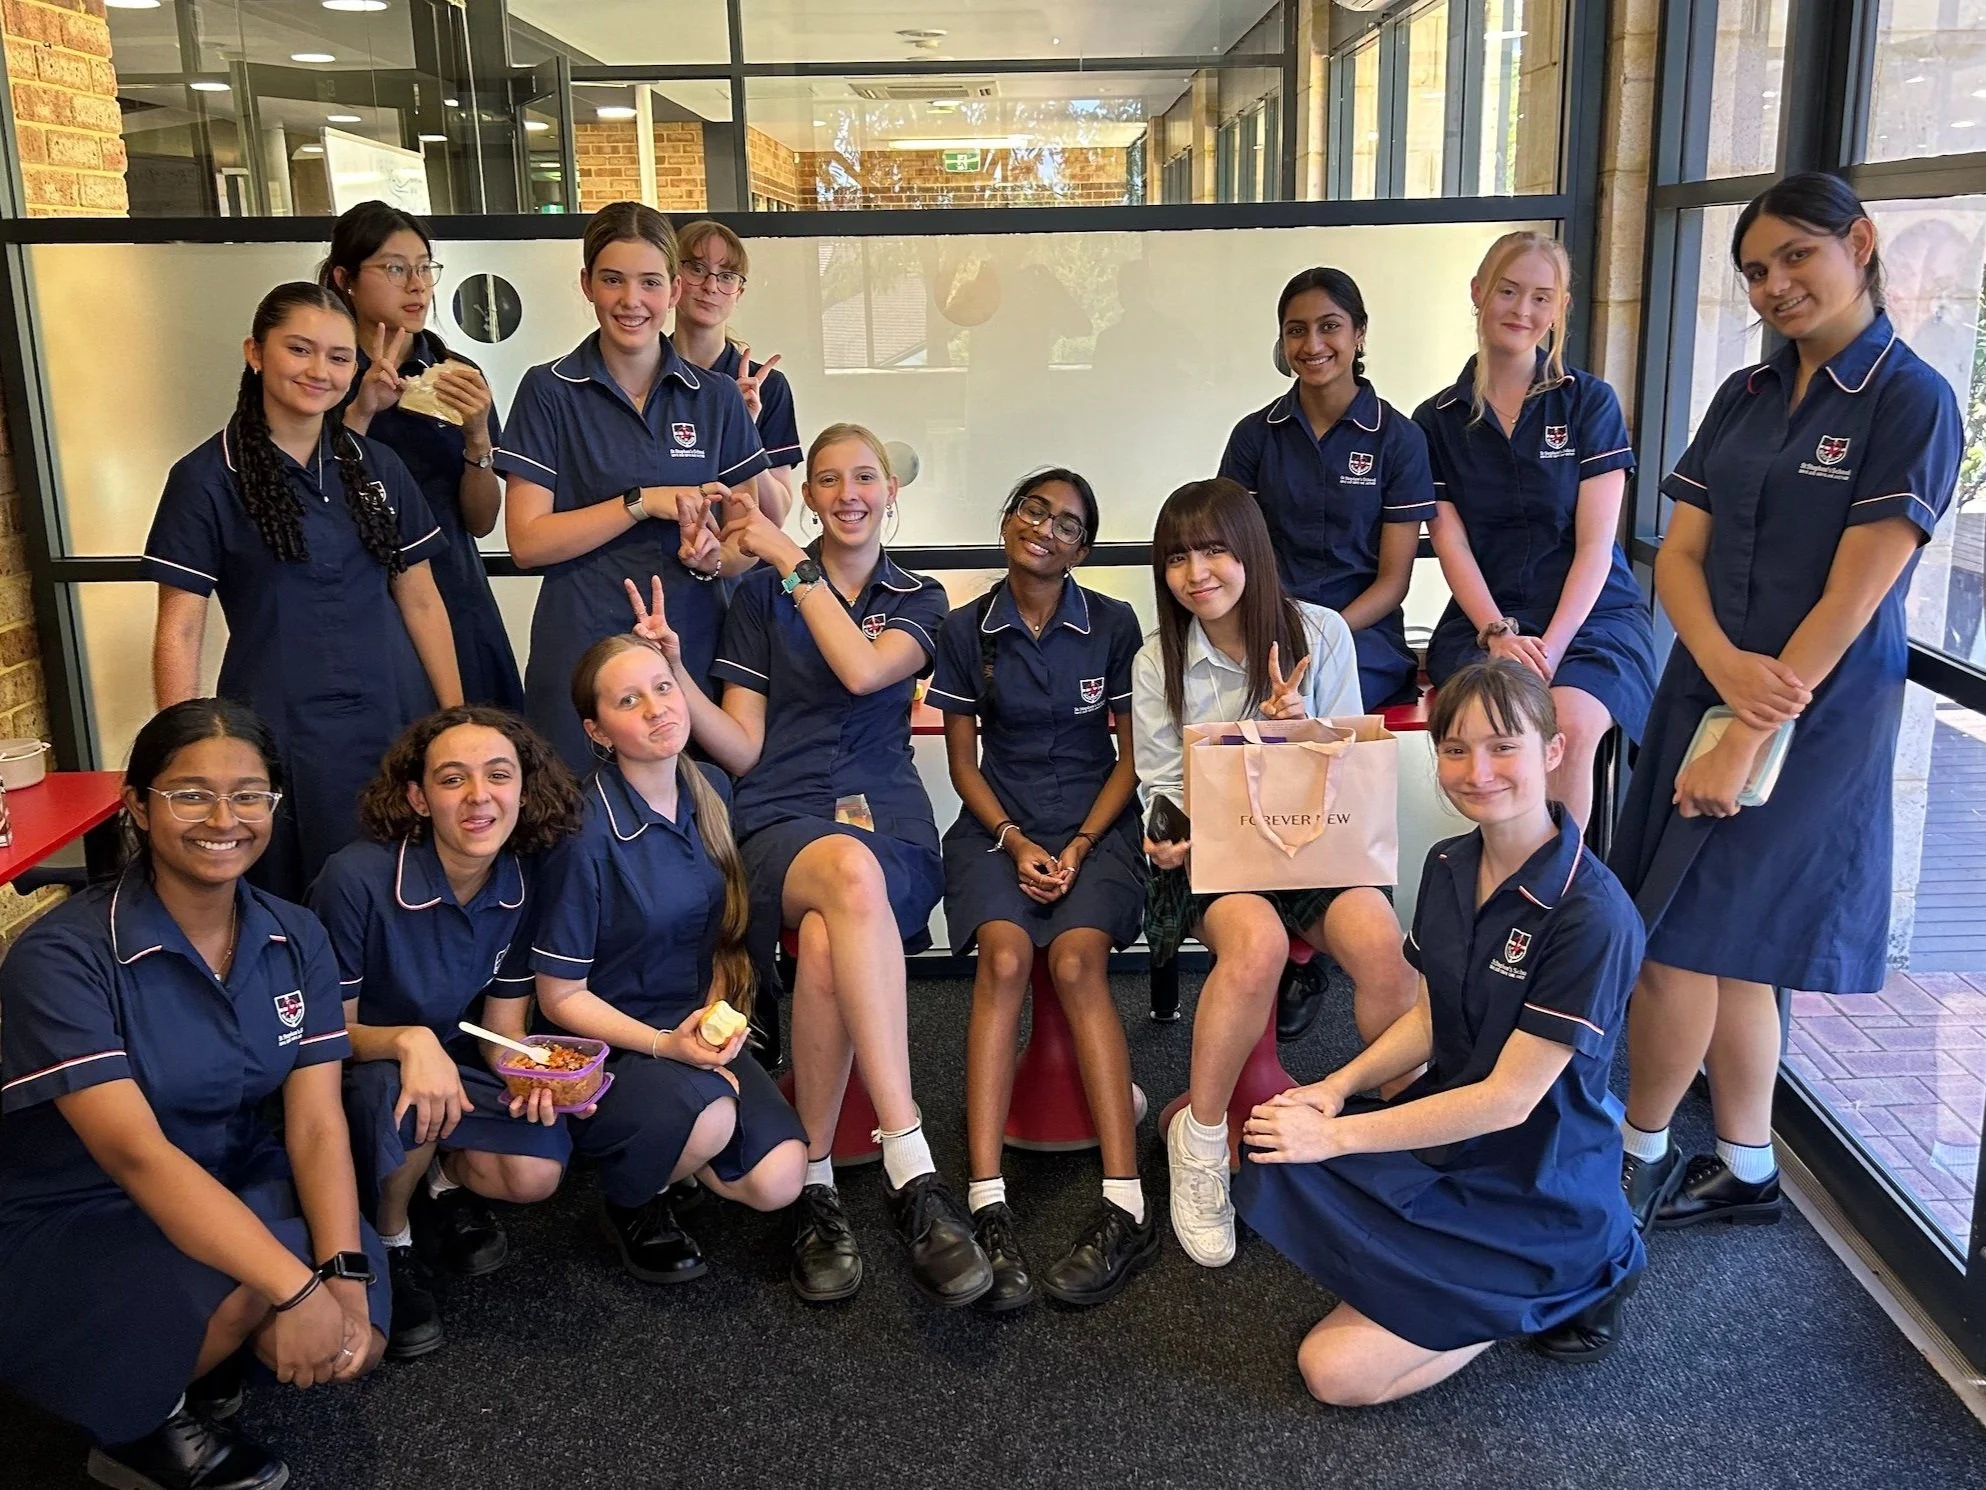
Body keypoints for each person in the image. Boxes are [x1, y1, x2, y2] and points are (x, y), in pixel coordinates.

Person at [1612, 174, 1963, 1232]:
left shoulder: (1911, 399)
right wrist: (1722, 667)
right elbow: (1680, 555)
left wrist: (1749, 730)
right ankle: (1748, 1164)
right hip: (1709, 686)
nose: (1774, 286)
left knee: (1679, 938)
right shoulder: (1746, 394)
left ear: (1860, 242)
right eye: (1756, 271)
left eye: (1796, 256)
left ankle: (1632, 1158)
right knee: (1735, 945)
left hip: (1814, 715)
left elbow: (1855, 596)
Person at [630, 422, 993, 1308]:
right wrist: (675, 674)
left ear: (891, 492)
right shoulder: (758, 597)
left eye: (864, 477)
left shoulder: (920, 598)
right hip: (781, 820)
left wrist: (791, 560)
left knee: (832, 936)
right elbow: (743, 748)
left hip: (889, 824)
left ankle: (818, 1184)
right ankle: (911, 1161)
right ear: (811, 494)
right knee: (846, 875)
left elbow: (866, 673)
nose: (846, 495)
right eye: (827, 479)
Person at [0, 700, 389, 1490]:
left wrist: (343, 1271)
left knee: (364, 1332)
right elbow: (136, 1158)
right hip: (77, 1201)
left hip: (227, 1169)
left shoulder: (294, 933)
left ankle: (210, 1346)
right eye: (190, 794)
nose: (224, 819)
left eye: (249, 795)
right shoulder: (61, 956)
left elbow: (316, 1124)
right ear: (138, 807)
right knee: (258, 1288)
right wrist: (296, 1289)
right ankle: (139, 1426)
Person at [1234, 661, 1646, 1406]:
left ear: (1553, 751)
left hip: (1536, 1180)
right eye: (1455, 749)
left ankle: (1577, 1275)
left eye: (1503, 747)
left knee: (1333, 1372)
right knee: (1267, 1146)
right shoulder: (1449, 862)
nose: (1477, 772)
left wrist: (1339, 1136)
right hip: (1451, 1146)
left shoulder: (1593, 914)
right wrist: (1333, 1090)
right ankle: (1450, 1276)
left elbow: (1508, 1102)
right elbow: (1429, 1017)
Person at [1132, 477, 1418, 1270]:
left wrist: (1306, 730)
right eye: (1178, 558)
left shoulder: (1321, 632)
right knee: (1255, 943)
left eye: (1213, 551)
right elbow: (1160, 787)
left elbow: (1352, 761)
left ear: (1250, 552)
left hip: (1313, 846)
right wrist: (1170, 837)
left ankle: (1412, 1138)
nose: (1197, 574)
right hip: (1211, 853)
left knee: (1382, 944)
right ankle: (1201, 1142)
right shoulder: (1159, 658)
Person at [147, 281, 463, 901]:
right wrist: (179, 752)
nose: (320, 370)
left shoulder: (377, 467)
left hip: (393, 711)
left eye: (339, 357)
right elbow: (180, 628)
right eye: (299, 349)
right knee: (293, 893)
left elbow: (422, 600)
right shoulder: (206, 477)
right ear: (255, 353)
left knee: (399, 885)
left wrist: (454, 722)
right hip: (276, 724)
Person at [928, 468, 1153, 1309]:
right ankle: (987, 1202)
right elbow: (962, 764)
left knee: (1076, 964)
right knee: (1005, 959)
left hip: (1098, 823)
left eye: (1066, 524)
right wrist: (1016, 841)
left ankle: (1126, 1205)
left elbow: (1132, 758)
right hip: (1000, 824)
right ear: (1008, 520)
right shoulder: (965, 628)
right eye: (1033, 510)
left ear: (1082, 550)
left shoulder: (1114, 623)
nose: (1045, 529)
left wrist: (1083, 843)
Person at [531, 634, 808, 1283]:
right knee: (712, 1117)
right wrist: (668, 1048)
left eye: (663, 687)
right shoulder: (582, 832)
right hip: (611, 1045)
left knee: (781, 1181)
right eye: (630, 700)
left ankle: (674, 1144)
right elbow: (559, 996)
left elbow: (720, 932)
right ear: (598, 731)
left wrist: (713, 1024)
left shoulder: (711, 787)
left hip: (689, 1026)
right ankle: (633, 1198)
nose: (657, 708)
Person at [310, 705, 583, 1360]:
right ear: (418, 798)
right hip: (360, 1068)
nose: (479, 796)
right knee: (409, 1095)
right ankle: (392, 1239)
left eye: (499, 775)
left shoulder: (522, 882)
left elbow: (500, 1027)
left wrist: (534, 1071)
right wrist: (410, 1041)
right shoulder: (356, 879)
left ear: (525, 790)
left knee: (536, 1172)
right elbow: (323, 1034)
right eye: (453, 779)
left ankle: (438, 1180)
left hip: (452, 1060)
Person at [498, 201, 770, 773]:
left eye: (649, 282)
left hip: (690, 647)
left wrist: (716, 559)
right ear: (586, 285)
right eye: (612, 280)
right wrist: (640, 503)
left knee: (697, 811)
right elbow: (526, 541)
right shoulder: (549, 390)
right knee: (573, 812)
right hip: (581, 647)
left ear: (674, 290)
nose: (631, 300)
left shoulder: (716, 398)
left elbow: (751, 537)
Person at [1414, 230, 1656, 828]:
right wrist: (1498, 633)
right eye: (1508, 291)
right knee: (1496, 727)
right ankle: (1498, 870)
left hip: (1592, 617)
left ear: (1561, 307)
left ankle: (1558, 881)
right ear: (1478, 291)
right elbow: (1451, 541)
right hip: (1486, 620)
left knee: (1566, 723)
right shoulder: (1436, 420)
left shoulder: (1589, 403)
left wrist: (1549, 651)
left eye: (1542, 298)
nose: (1523, 310)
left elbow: (1596, 546)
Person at [322, 199, 525, 712]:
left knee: (477, 744)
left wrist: (477, 438)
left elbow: (480, 523)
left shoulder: (452, 372)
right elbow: (313, 499)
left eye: (424, 268)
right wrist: (362, 410)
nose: (416, 286)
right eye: (394, 269)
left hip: (455, 592)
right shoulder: (323, 377)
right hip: (360, 597)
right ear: (346, 279)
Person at [1220, 267, 1437, 710]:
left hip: (1363, 636)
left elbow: (1393, 581)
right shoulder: (1254, 435)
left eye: (1330, 326)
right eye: (1296, 330)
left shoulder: (1399, 438)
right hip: (1269, 629)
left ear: (1359, 333)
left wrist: (1324, 635)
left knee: (1319, 700)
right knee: (1235, 700)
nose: (1313, 345)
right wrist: (1276, 631)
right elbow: (1232, 552)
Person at [671, 219, 800, 525]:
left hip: (738, 550)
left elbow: (775, 517)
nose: (711, 286)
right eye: (697, 269)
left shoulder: (766, 386)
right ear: (673, 279)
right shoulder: (644, 374)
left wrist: (744, 428)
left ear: (738, 293)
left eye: (726, 276)